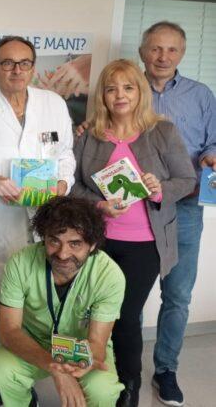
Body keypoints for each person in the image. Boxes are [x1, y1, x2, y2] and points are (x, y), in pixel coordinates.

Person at [0, 35, 75, 404]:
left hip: (47, 215)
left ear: (34, 68)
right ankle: (1, 383)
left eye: (24, 63)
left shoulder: (53, 104)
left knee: (44, 298)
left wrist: (62, 182)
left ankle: (39, 374)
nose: (16, 70)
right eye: (7, 63)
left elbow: (66, 154)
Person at [69, 59, 195, 406]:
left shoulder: (162, 132)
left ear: (140, 92)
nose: (120, 95)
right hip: (99, 241)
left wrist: (157, 189)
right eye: (112, 88)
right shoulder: (89, 134)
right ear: (103, 96)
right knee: (93, 312)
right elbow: (72, 187)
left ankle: (129, 387)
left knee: (124, 316)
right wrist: (99, 205)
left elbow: (186, 180)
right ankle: (97, 382)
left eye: (128, 87)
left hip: (144, 244)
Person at [0, 196, 126, 407]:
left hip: (82, 348)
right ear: (43, 238)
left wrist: (77, 366)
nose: (62, 254)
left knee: (103, 390)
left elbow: (97, 344)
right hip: (34, 342)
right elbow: (8, 331)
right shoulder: (20, 263)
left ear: (92, 244)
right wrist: (55, 367)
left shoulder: (109, 276)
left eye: (75, 244)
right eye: (54, 241)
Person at [139, 22, 216, 406]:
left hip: (184, 205)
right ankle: (124, 370)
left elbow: (215, 140)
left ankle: (166, 370)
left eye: (171, 50)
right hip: (135, 206)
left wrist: (210, 156)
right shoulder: (127, 89)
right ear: (143, 51)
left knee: (178, 296)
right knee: (125, 295)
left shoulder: (201, 95)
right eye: (156, 48)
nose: (163, 57)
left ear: (182, 54)